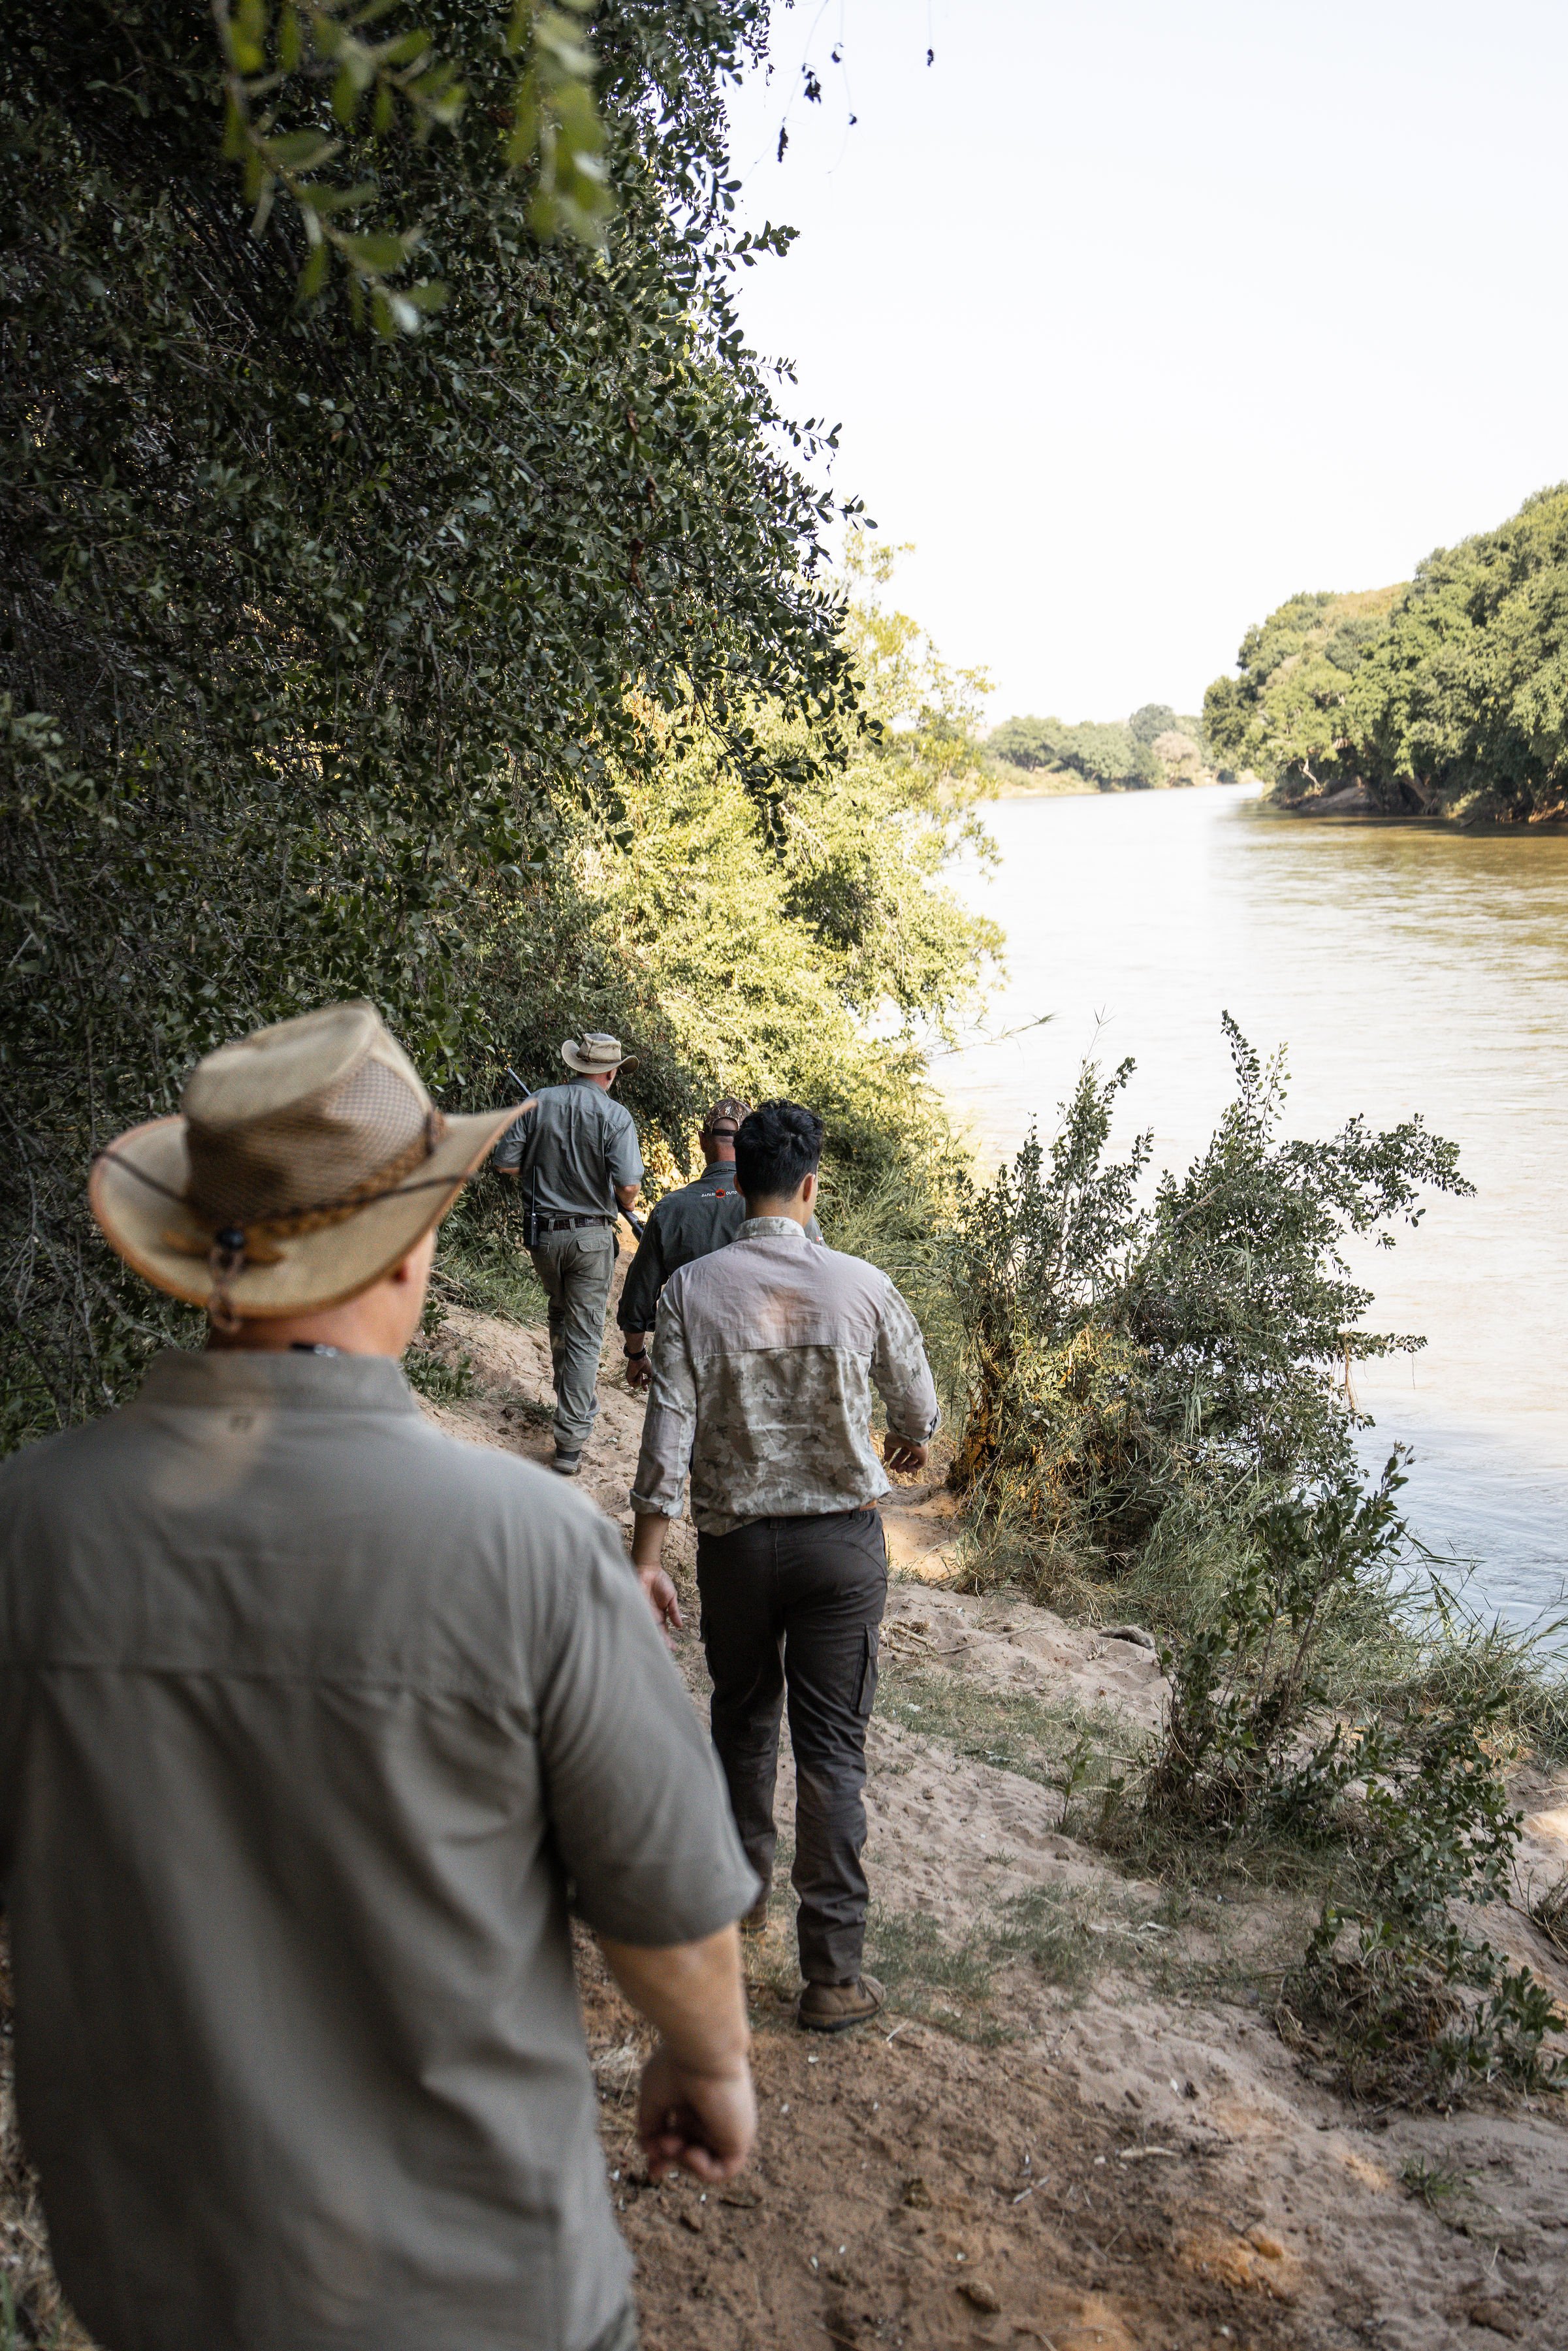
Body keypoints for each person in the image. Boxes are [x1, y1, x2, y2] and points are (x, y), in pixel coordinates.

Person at [0, 1000, 758, 2351]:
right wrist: (708, 2066)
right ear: (408, 1252)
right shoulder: (531, 1550)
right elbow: (671, 1918)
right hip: (486, 2294)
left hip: (157, 2285)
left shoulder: (27, 1527)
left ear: (196, 1260)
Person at [628, 1099, 939, 2035]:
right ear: (810, 1185)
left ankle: (734, 1920)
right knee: (833, 1754)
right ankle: (832, 1976)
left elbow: (665, 1439)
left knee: (742, 1729)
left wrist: (646, 1558)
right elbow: (917, 1404)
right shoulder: (864, 1286)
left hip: (735, 1550)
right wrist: (907, 1439)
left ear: (735, 1184)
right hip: (840, 1548)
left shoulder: (690, 1290)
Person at [495, 1031, 643, 1475]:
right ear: (612, 1073)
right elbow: (630, 1190)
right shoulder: (616, 1116)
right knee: (584, 1334)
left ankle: (568, 1406)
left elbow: (505, 1162)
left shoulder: (539, 1101)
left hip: (543, 1236)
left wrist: (545, 1173)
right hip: (591, 1239)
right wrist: (615, 1195)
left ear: (575, 1066)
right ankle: (571, 1441)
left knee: (561, 1315)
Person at [616, 1095, 820, 1392]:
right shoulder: (790, 1206)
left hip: (693, 1369)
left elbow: (638, 1299)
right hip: (770, 1370)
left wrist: (636, 1355)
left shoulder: (670, 1209)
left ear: (702, 1141)